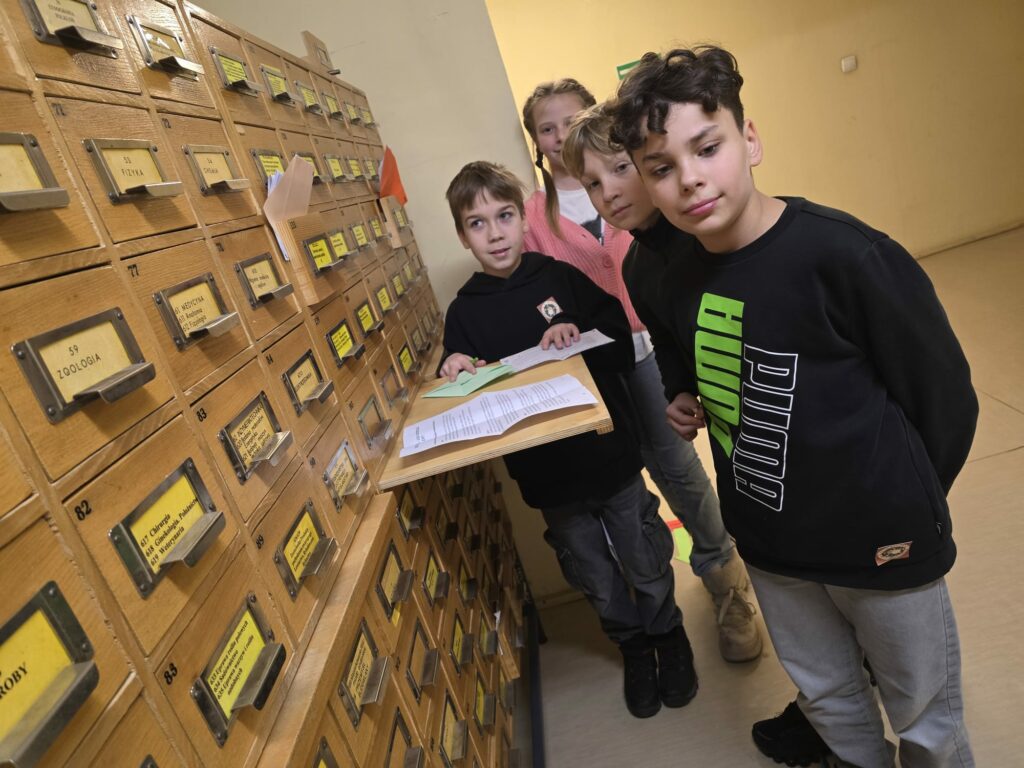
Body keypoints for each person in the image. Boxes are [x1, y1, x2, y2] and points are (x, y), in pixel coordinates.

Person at [608, 46, 978, 767]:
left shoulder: (846, 255)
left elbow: (944, 399)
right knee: (830, 697)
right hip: (772, 545)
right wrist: (682, 391)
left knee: (925, 715)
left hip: (880, 541)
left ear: (749, 139)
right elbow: (680, 350)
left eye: (707, 148)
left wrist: (903, 504)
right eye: (661, 167)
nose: (689, 178)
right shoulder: (665, 274)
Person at [440, 160, 697, 719]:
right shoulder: (463, 312)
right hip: (548, 479)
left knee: (643, 553)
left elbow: (619, 341)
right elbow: (461, 383)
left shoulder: (559, 277)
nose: (495, 233)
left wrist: (577, 331)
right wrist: (454, 364)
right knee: (595, 576)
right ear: (462, 236)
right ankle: (633, 647)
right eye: (478, 223)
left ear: (522, 218)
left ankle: (668, 635)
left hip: (609, 457)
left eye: (504, 216)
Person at [521, 79, 763, 664]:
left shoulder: (648, 185)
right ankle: (652, 601)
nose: (559, 136)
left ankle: (727, 583)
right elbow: (537, 293)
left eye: (570, 120)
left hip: (653, 350)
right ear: (535, 142)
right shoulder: (533, 215)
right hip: (594, 369)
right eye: (546, 129)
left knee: (677, 467)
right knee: (621, 484)